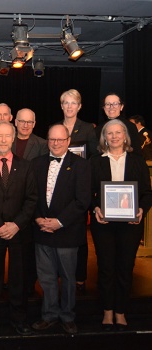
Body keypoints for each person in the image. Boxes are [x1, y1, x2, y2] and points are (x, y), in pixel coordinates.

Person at [90, 119, 152, 331]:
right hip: (103, 223)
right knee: (106, 268)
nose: (114, 136)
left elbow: (146, 193)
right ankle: (107, 311)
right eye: (110, 133)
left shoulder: (137, 161)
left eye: (119, 133)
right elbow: (88, 193)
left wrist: (142, 210)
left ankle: (121, 311)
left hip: (130, 225)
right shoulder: (95, 161)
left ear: (125, 136)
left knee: (125, 268)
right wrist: (95, 208)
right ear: (104, 138)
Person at [0, 121, 37, 337]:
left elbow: (32, 200)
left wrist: (16, 224)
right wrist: (0, 225)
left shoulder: (27, 166)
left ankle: (19, 319)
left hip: (19, 231)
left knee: (18, 278)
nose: (3, 139)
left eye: (7, 136)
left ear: (13, 138)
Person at [30, 124, 91, 335]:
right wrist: (38, 218)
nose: (56, 143)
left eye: (60, 140)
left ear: (68, 141)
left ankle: (67, 316)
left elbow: (82, 201)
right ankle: (49, 315)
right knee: (46, 278)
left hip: (67, 232)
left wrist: (59, 222)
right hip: (41, 231)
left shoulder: (81, 165)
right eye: (52, 139)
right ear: (48, 140)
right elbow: (31, 196)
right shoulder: (36, 164)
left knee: (67, 279)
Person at [56, 88, 98, 293]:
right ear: (61, 105)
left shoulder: (89, 129)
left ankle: (79, 276)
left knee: (80, 233)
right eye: (66, 103)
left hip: (80, 188)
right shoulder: (55, 128)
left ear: (79, 106)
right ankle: (59, 273)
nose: (70, 107)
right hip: (60, 188)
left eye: (74, 103)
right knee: (60, 231)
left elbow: (93, 160)